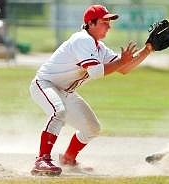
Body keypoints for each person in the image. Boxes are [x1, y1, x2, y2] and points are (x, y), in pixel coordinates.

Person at [29, 4, 155, 176]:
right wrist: (121, 62)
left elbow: (124, 68)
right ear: (91, 23)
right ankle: (42, 160)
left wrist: (148, 49)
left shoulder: (98, 47)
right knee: (58, 112)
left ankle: (68, 158)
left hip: (66, 91)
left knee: (92, 128)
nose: (109, 26)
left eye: (109, 22)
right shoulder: (82, 40)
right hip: (45, 84)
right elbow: (96, 72)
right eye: (105, 22)